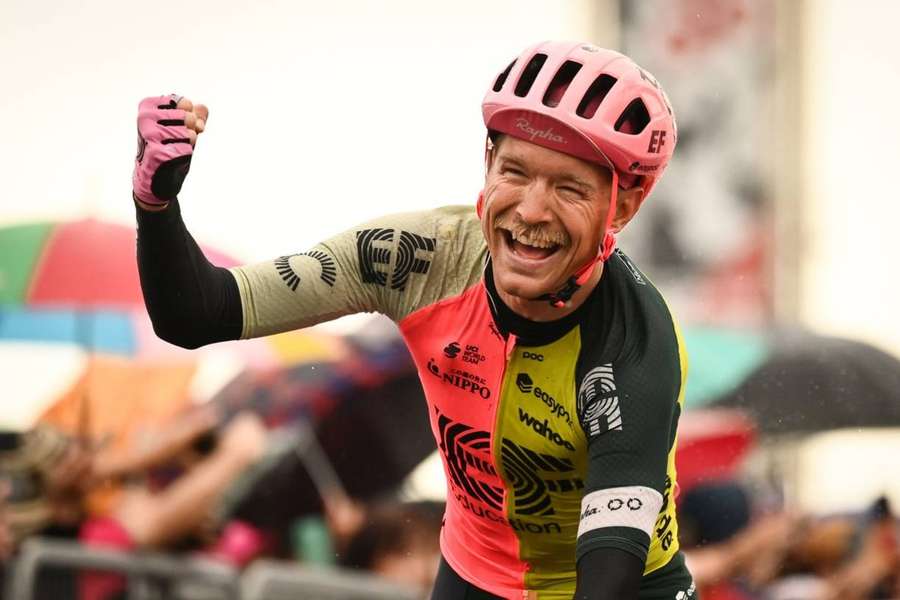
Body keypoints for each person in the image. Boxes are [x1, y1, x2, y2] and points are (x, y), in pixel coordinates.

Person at [132, 41, 692, 599]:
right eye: (515, 172)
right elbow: (194, 315)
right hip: (477, 575)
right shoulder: (418, 259)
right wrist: (156, 204)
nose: (531, 211)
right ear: (488, 163)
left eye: (569, 188)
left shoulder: (635, 343)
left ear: (622, 206)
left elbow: (609, 573)